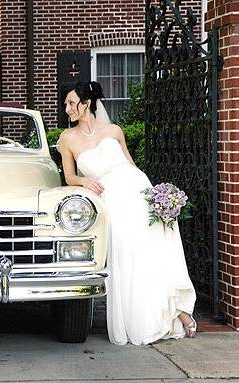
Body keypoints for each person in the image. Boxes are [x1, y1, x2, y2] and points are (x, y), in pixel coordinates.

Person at [58, 81, 197, 345]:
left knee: (156, 252)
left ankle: (177, 311)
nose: (67, 109)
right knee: (130, 258)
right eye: (66, 103)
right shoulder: (68, 139)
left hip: (137, 192)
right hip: (111, 200)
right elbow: (68, 177)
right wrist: (84, 181)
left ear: (86, 103)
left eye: (71, 103)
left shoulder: (114, 130)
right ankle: (148, 317)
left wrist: (156, 196)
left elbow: (131, 165)